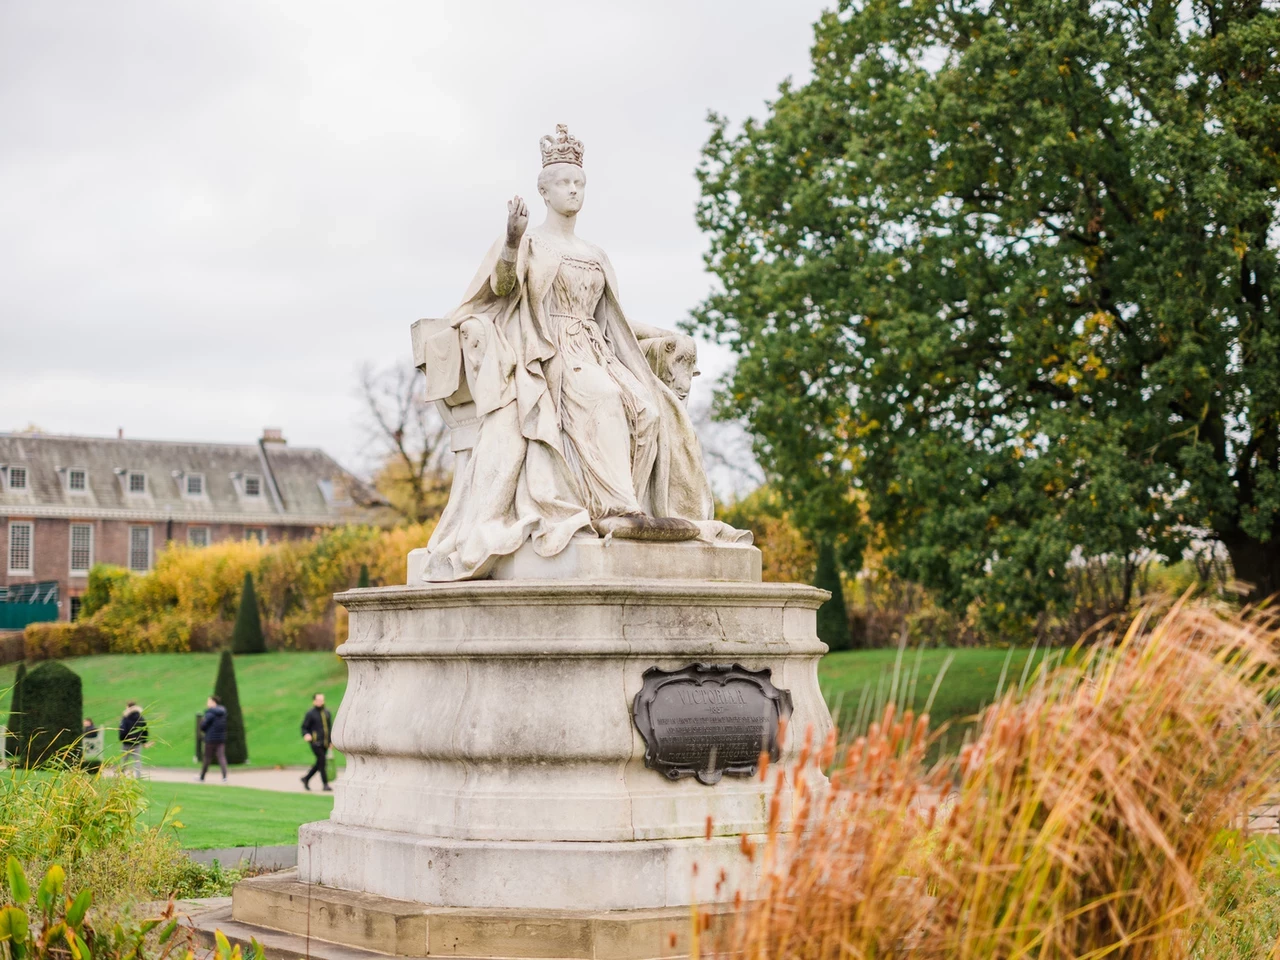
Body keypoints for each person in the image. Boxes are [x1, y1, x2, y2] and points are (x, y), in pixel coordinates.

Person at [414, 124, 748, 581]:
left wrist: (665, 335)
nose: (573, 190)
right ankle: (614, 507)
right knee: (604, 400)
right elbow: (502, 289)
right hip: (550, 351)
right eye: (564, 183)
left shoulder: (594, 253)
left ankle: (633, 510)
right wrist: (511, 241)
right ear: (544, 192)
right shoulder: (529, 242)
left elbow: (615, 318)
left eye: (579, 183)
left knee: (648, 409)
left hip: (598, 349)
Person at [301, 693, 333, 792]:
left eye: (322, 700)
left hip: (325, 743)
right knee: (322, 761)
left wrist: (331, 741)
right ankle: (325, 784)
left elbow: (329, 728)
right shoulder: (310, 713)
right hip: (315, 742)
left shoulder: (327, 713)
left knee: (320, 762)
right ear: (314, 701)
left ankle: (306, 778)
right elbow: (304, 727)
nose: (320, 702)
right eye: (318, 700)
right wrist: (306, 734)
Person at [197, 695, 228, 783]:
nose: (207, 703)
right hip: (221, 739)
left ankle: (202, 777)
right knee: (221, 757)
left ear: (213, 702)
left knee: (207, 758)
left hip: (210, 739)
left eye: (209, 701)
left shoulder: (210, 713)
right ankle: (225, 776)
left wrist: (202, 722)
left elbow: (203, 726)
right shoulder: (223, 712)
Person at [118, 701, 149, 777]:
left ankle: (121, 776)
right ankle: (138, 776)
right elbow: (145, 730)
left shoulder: (125, 718)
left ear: (128, 707)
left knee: (124, 760)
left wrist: (122, 739)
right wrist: (144, 741)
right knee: (137, 760)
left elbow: (122, 730)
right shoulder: (141, 718)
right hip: (137, 743)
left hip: (127, 742)